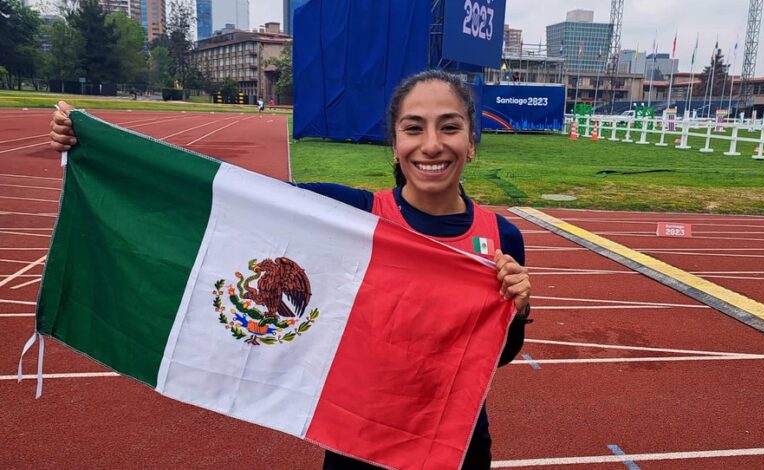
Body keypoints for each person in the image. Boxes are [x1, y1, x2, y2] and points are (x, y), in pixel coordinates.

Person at [49, 69, 531, 470]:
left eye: (449, 127)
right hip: (360, 447)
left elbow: (498, 357)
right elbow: (230, 194)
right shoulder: (351, 215)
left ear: (471, 143)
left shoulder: (501, 237)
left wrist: (518, 308)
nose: (431, 145)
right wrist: (94, 144)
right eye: (413, 128)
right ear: (394, 144)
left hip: (455, 444)